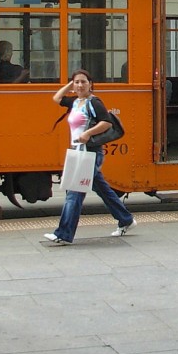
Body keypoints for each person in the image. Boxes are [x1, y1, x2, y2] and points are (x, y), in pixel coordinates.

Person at [45, 69, 135, 245]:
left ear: (90, 84)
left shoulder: (94, 102)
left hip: (89, 151)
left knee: (74, 192)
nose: (80, 85)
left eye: (83, 82)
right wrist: (70, 85)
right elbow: (56, 98)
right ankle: (126, 219)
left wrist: (88, 133)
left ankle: (63, 234)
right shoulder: (75, 102)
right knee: (102, 189)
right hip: (78, 151)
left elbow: (107, 122)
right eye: (77, 82)